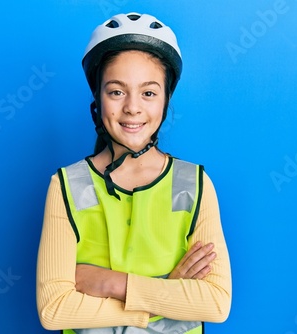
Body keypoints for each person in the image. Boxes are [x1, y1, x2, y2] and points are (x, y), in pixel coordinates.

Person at [36, 12, 232, 333]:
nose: (132, 107)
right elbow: (55, 310)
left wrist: (113, 283)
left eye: (149, 92)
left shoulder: (195, 184)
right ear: (97, 100)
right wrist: (165, 294)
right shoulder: (66, 185)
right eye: (116, 91)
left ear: (166, 100)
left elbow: (215, 302)